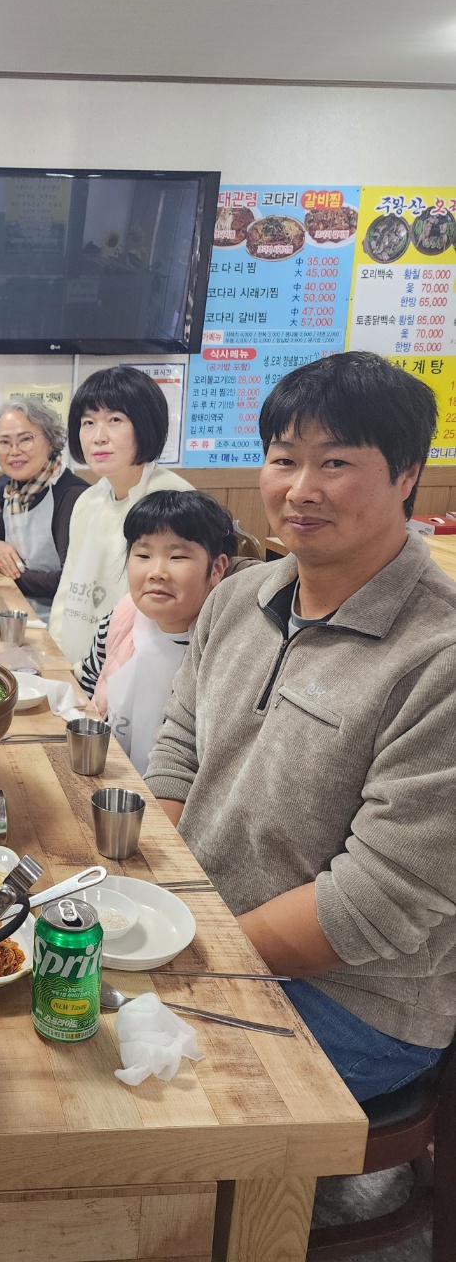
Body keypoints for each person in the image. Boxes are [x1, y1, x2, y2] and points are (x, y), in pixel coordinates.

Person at [145, 351, 456, 1102]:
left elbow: (378, 898)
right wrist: (154, 899)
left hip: (357, 1004)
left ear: (406, 475)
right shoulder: (237, 598)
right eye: (284, 459)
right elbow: (179, 749)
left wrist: (189, 954)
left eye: (335, 462)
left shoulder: (437, 657)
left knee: (120, 1087)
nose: (301, 489)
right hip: (202, 930)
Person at [78, 491, 236, 774]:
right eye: (143, 555)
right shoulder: (121, 618)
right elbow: (88, 688)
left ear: (216, 569)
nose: (157, 572)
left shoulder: (228, 648)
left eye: (177, 556)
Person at [49, 366, 192, 667]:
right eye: (88, 422)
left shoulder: (172, 501)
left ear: (145, 424)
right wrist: (56, 661)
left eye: (114, 420)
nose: (98, 437)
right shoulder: (88, 500)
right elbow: (68, 589)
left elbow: (172, 617)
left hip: (141, 672)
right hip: (77, 671)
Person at [0, 396, 87, 620]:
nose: (14, 451)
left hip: (58, 624)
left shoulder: (71, 495)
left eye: (25, 439)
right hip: (18, 613)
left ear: (50, 441)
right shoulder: (16, 492)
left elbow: (70, 582)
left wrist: (11, 574)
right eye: (4, 442)